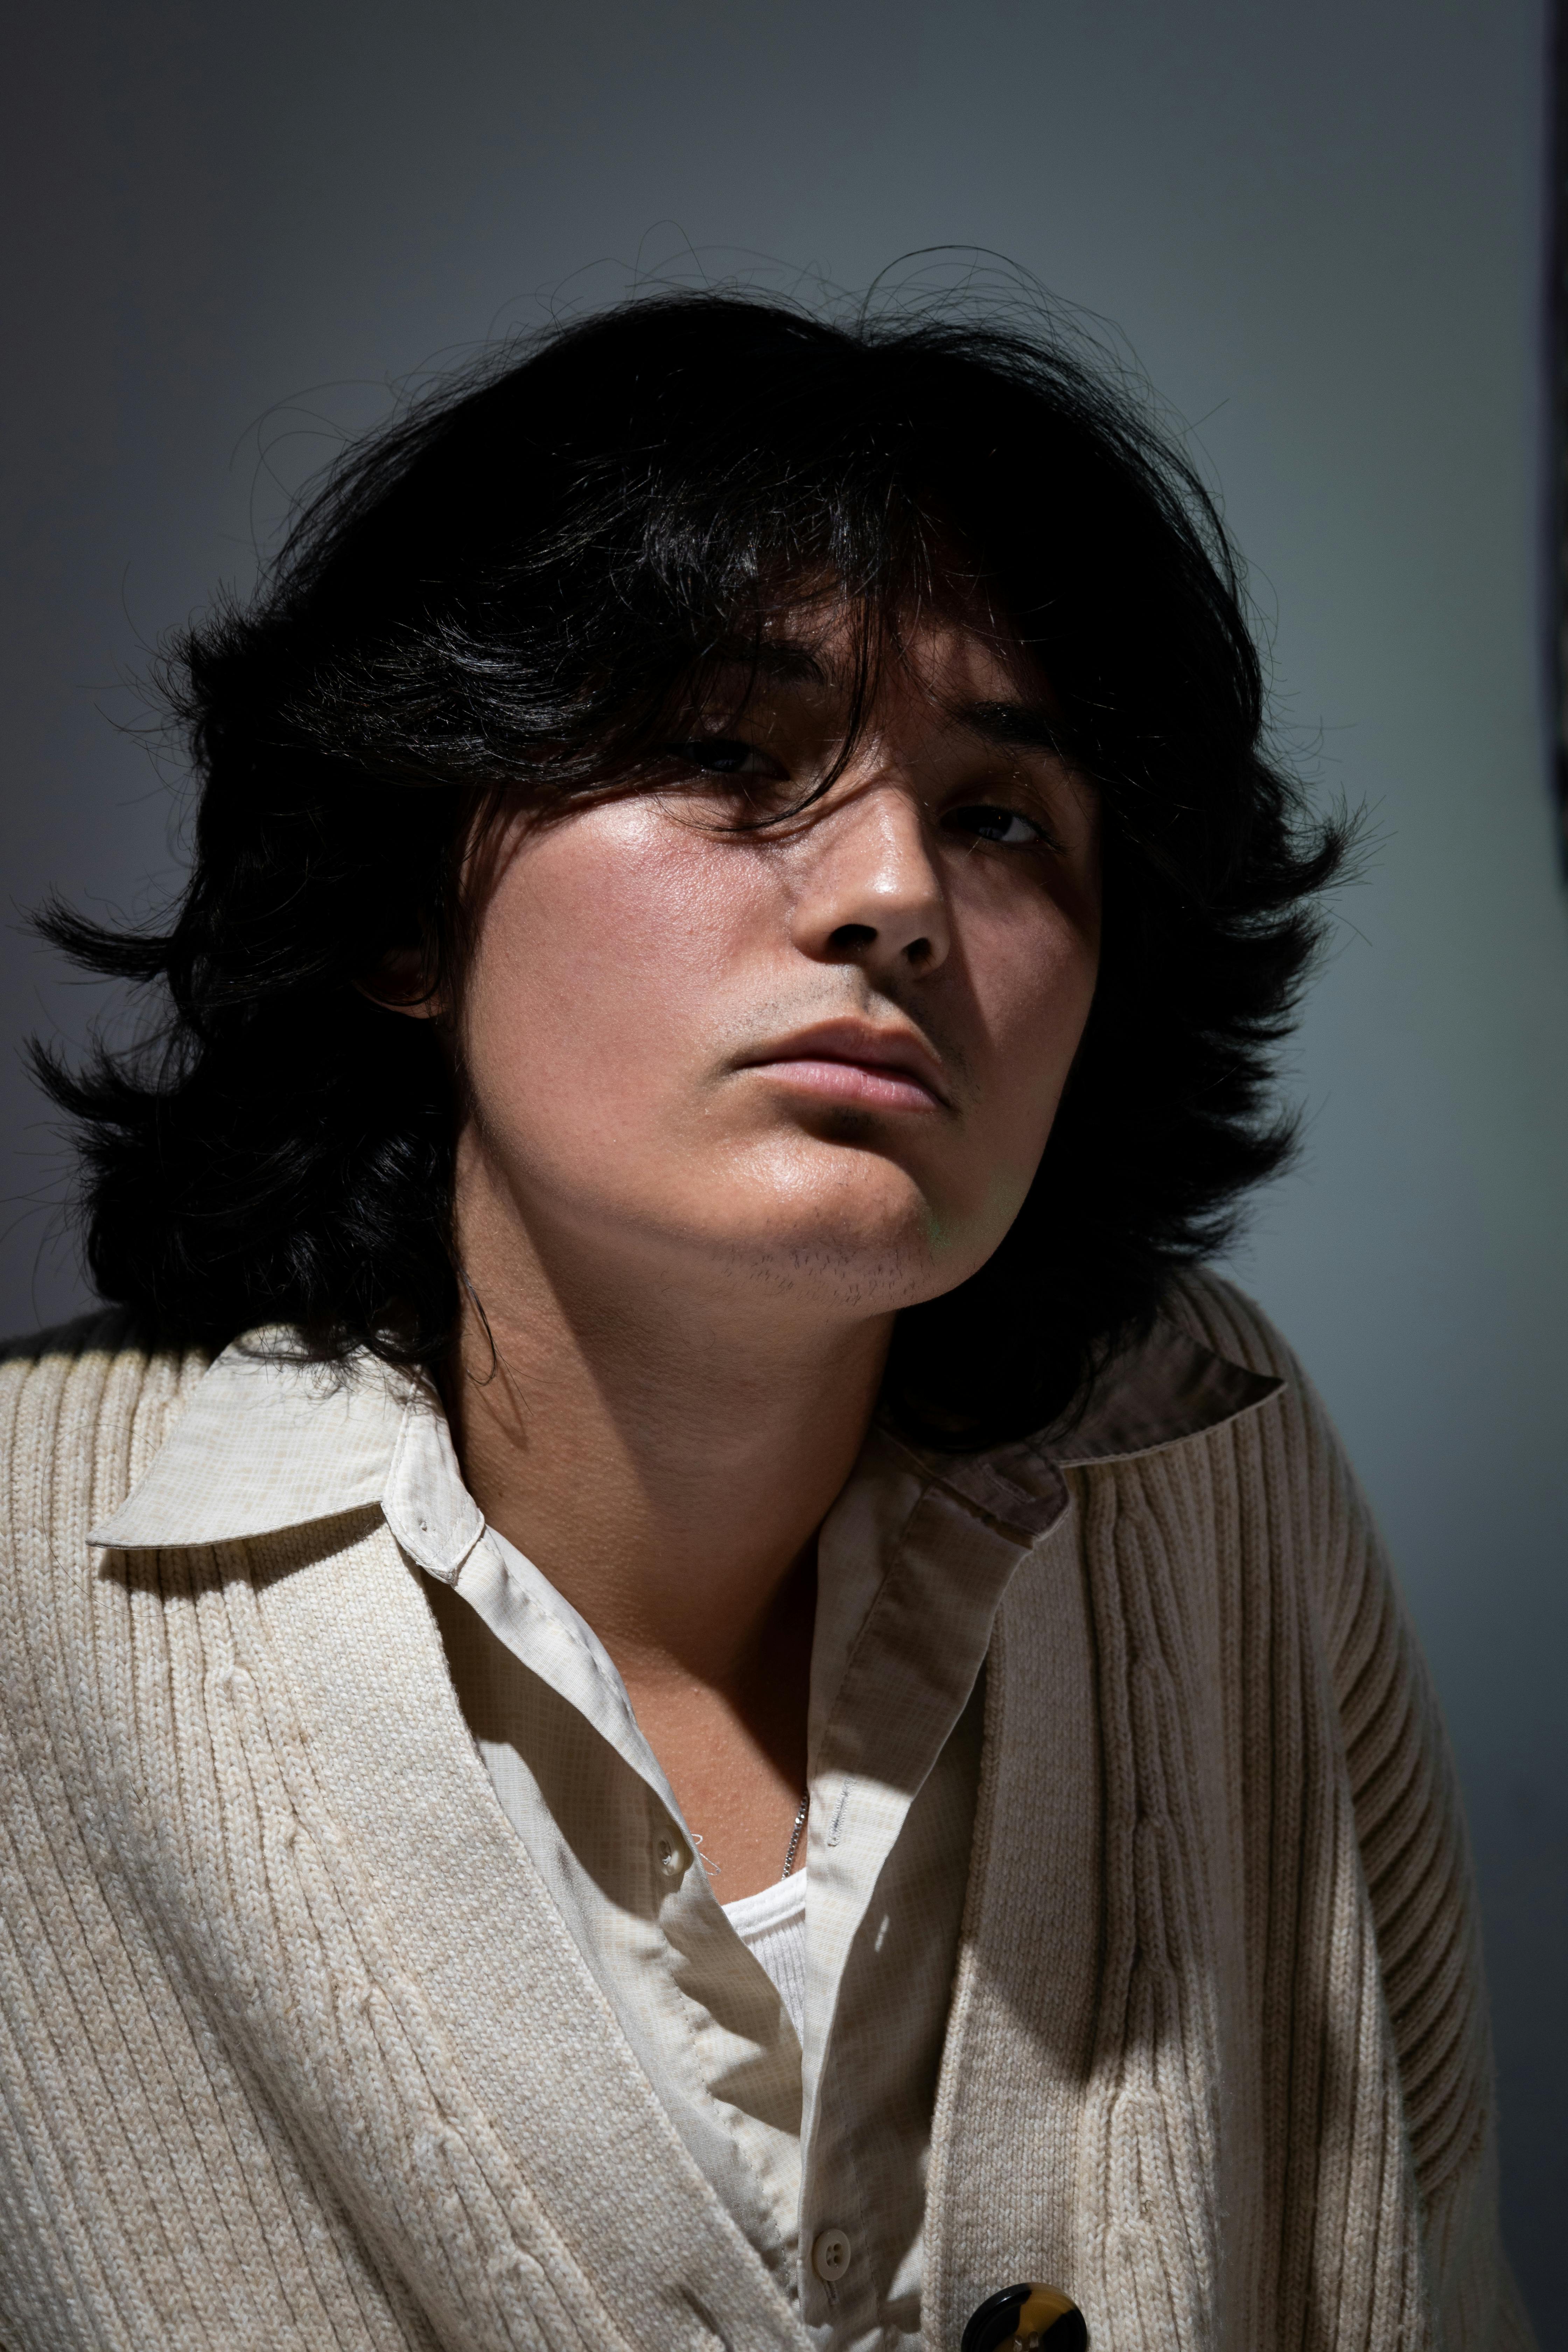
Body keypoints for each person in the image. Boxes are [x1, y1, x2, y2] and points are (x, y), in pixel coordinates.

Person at [0, 289, 1532, 2352]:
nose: (893, 886)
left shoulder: (1220, 1469)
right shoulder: (27, 1578)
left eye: (1003, 815)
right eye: (729, 755)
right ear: (398, 907)